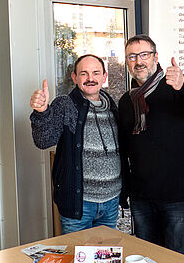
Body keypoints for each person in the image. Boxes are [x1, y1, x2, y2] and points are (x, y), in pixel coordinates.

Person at [118, 35, 184, 257]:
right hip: (142, 198)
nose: (139, 61)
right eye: (132, 57)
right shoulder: (127, 101)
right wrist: (125, 190)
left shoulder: (177, 86)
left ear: (156, 57)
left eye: (144, 55)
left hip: (179, 198)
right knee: (148, 261)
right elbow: (125, 148)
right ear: (127, 62)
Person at [30, 54, 122, 234]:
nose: (90, 79)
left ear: (104, 77)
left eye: (96, 73)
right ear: (74, 77)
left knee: (103, 261)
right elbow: (44, 141)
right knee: (78, 260)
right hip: (79, 204)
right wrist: (42, 113)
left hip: (111, 202)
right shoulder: (66, 105)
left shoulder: (112, 107)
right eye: (84, 74)